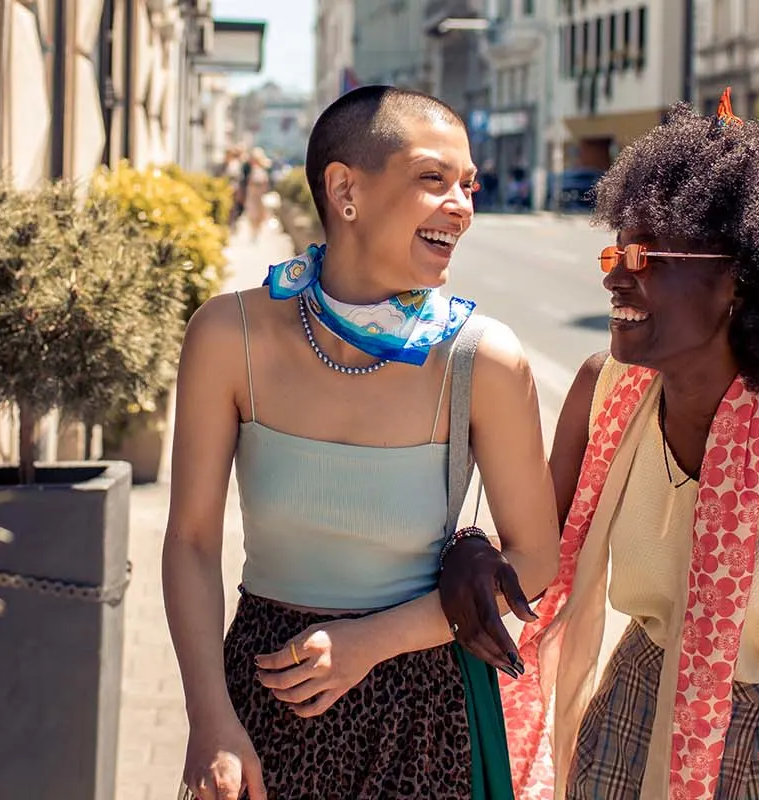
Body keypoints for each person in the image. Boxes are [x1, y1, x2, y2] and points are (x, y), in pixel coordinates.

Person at [444, 91, 759, 799]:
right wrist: (472, 555)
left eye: (646, 255)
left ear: (740, 281)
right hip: (631, 710)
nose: (613, 274)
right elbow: (533, 550)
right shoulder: (605, 391)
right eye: (615, 248)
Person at [163, 85, 561, 800]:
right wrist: (209, 719)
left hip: (426, 712)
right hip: (263, 699)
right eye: (433, 180)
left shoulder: (484, 358)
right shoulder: (230, 336)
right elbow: (191, 541)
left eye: (468, 186)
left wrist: (370, 643)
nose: (462, 207)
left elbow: (534, 559)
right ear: (344, 190)